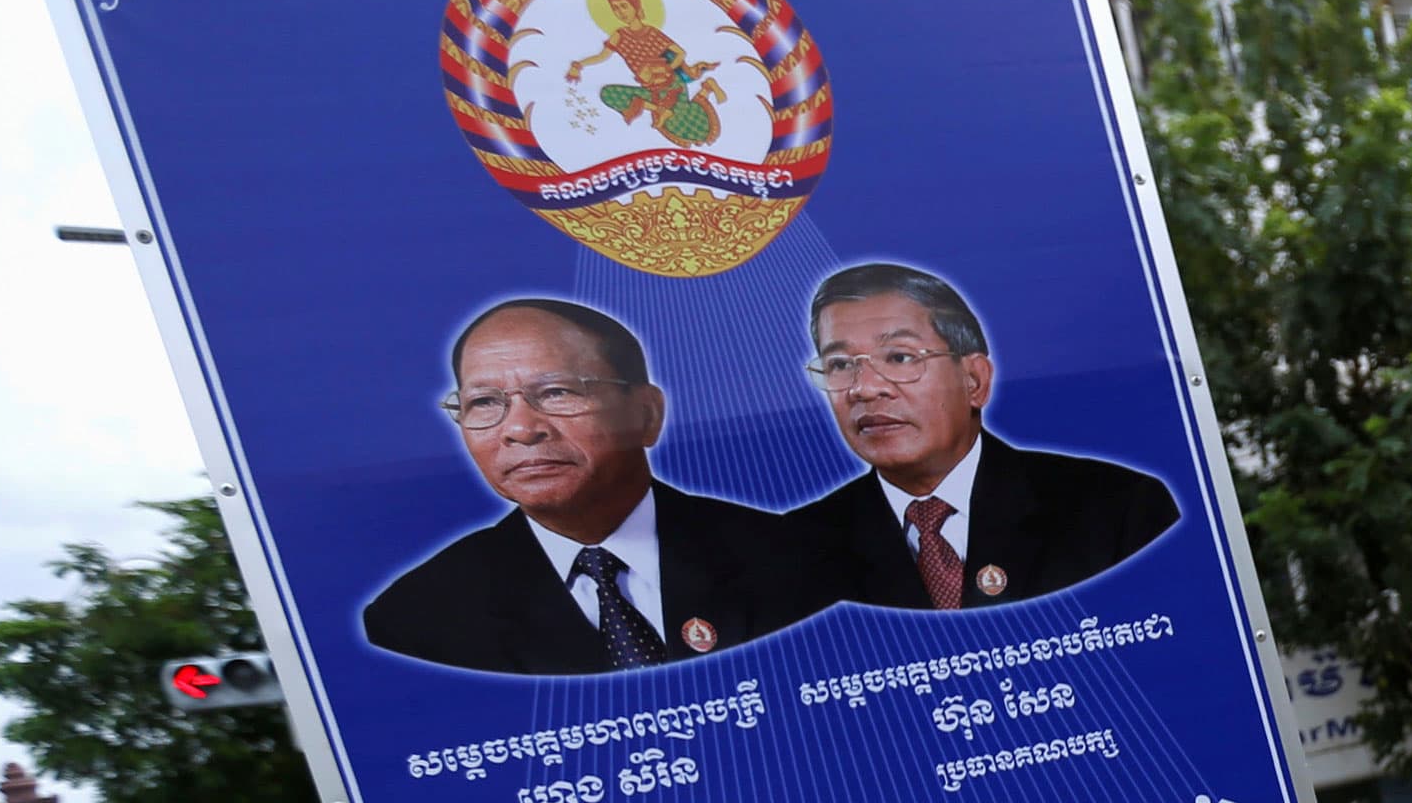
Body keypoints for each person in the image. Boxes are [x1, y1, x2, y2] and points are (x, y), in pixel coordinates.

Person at [365, 299, 835, 674]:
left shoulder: (798, 558)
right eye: (485, 402)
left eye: (556, 393)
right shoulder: (416, 619)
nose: (521, 429)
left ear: (647, 414)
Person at [790, 263, 1182, 608]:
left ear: (974, 380)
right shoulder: (790, 550)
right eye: (839, 364)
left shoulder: (1120, 510)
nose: (865, 388)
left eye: (899, 358)